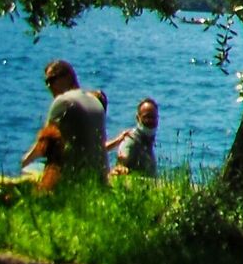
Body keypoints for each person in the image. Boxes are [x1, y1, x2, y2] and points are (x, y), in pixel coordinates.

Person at [22, 59, 107, 192]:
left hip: (75, 180)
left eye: (52, 79)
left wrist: (23, 163)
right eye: (46, 82)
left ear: (67, 77)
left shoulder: (63, 101)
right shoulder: (95, 101)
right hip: (100, 179)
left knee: (31, 169)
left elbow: (43, 144)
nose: (49, 86)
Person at [106, 98, 159, 178]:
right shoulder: (131, 140)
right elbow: (121, 163)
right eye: (146, 117)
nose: (150, 120)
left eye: (153, 117)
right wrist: (121, 165)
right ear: (138, 118)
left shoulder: (148, 139)